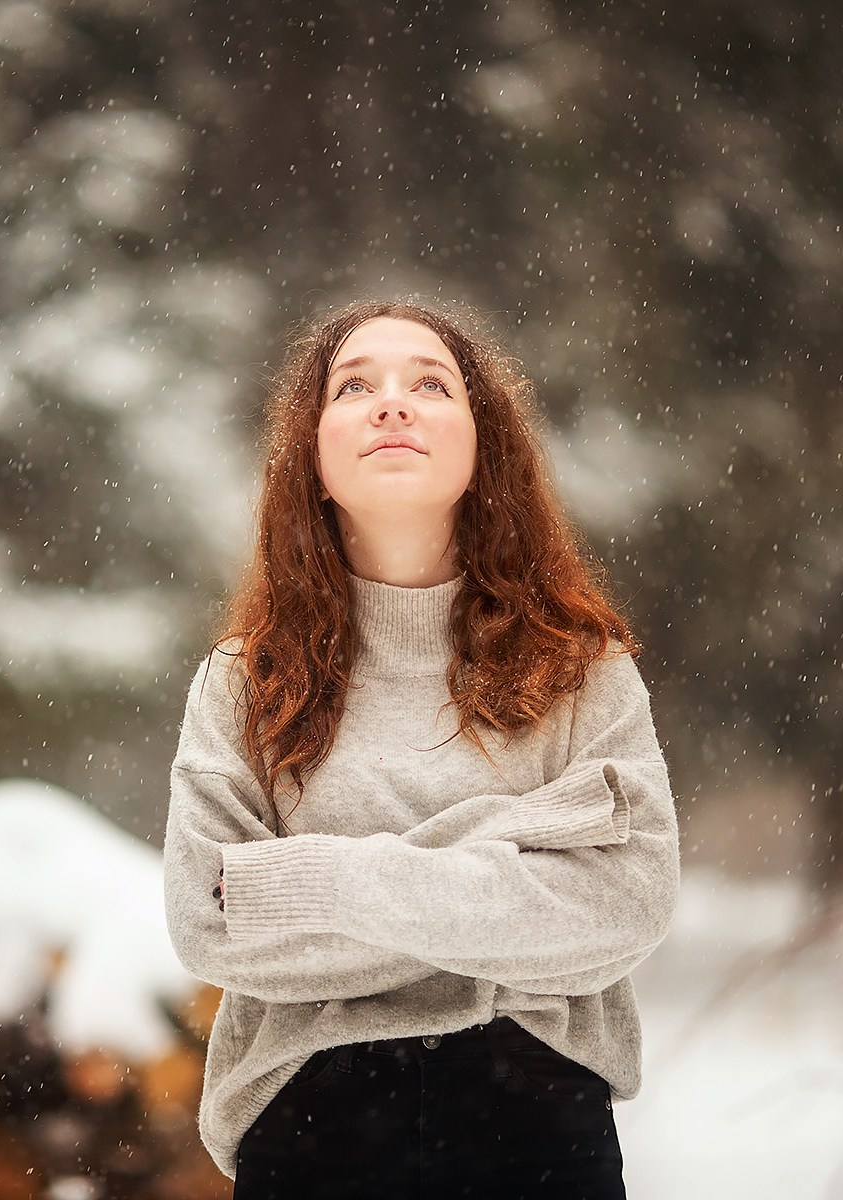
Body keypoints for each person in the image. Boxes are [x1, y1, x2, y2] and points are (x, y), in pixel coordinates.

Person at [162, 297, 680, 1200]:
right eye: (354, 386)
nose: (393, 403)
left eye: (431, 384)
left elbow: (629, 903)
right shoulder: (244, 681)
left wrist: (318, 879)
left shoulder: (580, 667)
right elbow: (209, 923)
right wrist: (509, 860)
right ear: (313, 459)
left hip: (538, 1124)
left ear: (485, 450)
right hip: (309, 1129)